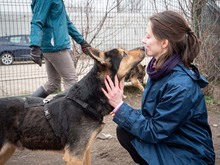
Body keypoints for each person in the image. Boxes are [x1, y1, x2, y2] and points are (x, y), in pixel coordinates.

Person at [102, 10, 215, 165]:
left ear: (164, 42)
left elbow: (155, 130)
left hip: (191, 155)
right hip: (174, 141)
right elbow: (154, 116)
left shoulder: (181, 86)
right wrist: (119, 108)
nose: (143, 40)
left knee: (127, 128)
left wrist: (120, 107)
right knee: (125, 130)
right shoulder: (161, 70)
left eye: (148, 36)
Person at [30, 0, 90, 98]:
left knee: (53, 83)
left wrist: (82, 42)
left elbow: (67, 23)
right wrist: (35, 46)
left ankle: (28, 104)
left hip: (54, 47)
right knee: (71, 81)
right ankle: (66, 112)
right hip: (55, 47)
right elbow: (37, 21)